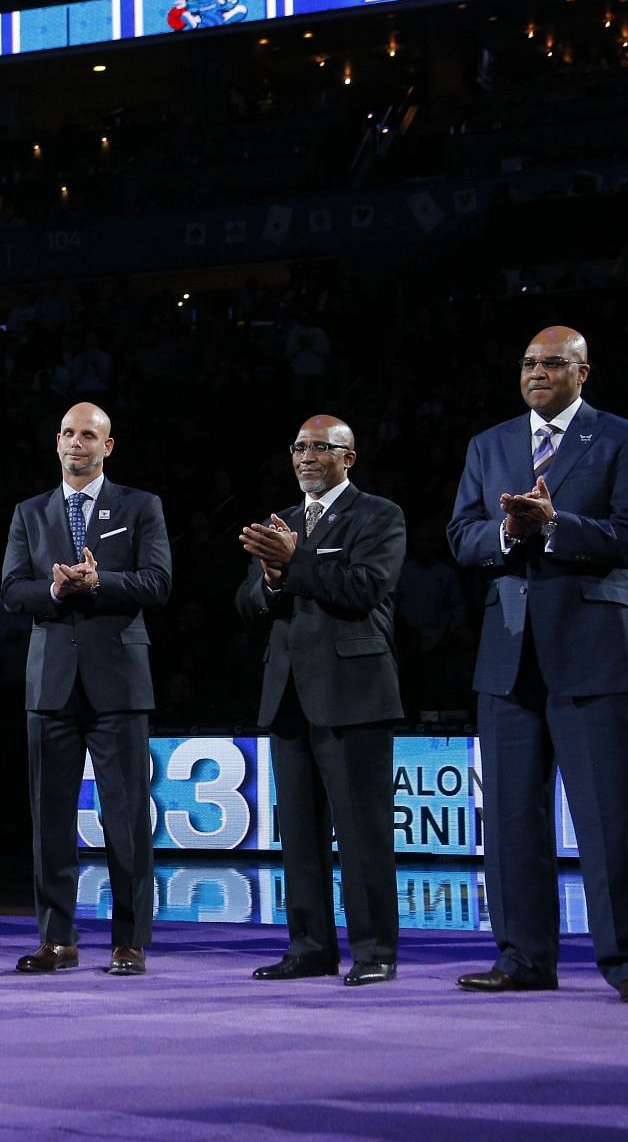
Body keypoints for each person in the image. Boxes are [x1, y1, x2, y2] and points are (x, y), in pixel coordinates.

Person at [447, 325, 628, 1004]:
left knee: (611, 819)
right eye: (528, 364)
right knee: (511, 821)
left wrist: (555, 524)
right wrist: (510, 531)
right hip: (508, 656)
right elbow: (461, 536)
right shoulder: (489, 444)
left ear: (583, 371)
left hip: (595, 654)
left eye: (552, 364)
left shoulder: (624, 439)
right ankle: (523, 959)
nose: (537, 373)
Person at [0, 403, 170, 977]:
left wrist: (101, 582)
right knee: (50, 819)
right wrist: (52, 592)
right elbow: (10, 590)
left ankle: (129, 941)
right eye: (69, 434)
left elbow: (158, 581)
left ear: (108, 446)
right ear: (56, 442)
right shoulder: (30, 512)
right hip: (50, 684)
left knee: (125, 818)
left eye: (89, 435)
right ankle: (58, 940)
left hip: (118, 683)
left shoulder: (140, 506)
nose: (78, 443)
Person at [236, 416, 405, 986]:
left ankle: (375, 951)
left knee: (362, 833)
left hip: (354, 695)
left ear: (348, 457)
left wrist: (294, 563)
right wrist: (271, 581)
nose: (307, 456)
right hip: (288, 695)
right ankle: (309, 948)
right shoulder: (278, 520)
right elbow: (247, 604)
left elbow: (364, 589)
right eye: (299, 447)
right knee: (300, 836)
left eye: (320, 448)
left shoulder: (379, 515)